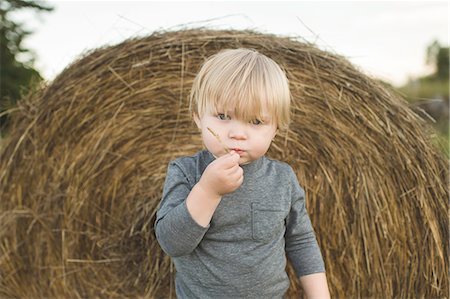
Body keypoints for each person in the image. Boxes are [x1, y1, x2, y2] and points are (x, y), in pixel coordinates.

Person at [155, 48, 330, 298]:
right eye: (223, 116)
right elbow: (173, 243)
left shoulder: (282, 180)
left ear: (276, 129)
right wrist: (208, 191)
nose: (237, 133)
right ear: (198, 119)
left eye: (256, 122)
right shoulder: (185, 172)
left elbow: (301, 241)